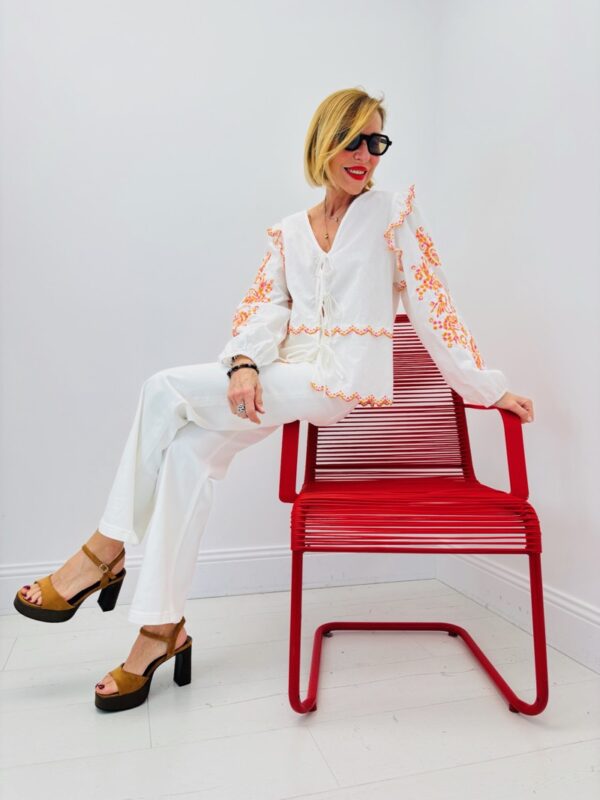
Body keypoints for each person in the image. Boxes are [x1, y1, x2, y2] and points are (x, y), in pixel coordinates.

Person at [14, 87, 534, 712]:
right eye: (353, 140)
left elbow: (434, 306)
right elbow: (264, 309)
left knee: (162, 389)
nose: (366, 155)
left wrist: (487, 387)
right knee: (186, 455)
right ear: (324, 141)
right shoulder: (291, 231)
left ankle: (102, 552)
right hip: (279, 377)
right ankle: (159, 631)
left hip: (334, 381)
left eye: (377, 141)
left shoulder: (393, 214)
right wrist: (242, 364)